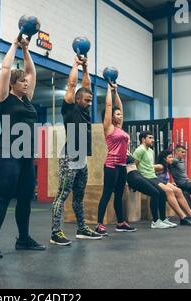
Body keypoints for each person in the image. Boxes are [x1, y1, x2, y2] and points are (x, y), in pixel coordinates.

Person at [0, 36, 45, 258]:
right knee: (2, 197)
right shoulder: (4, 98)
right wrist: (13, 44)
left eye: (26, 82)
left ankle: (23, 239)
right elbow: (5, 67)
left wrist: (26, 49)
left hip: (26, 156)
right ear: (12, 84)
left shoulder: (27, 100)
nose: (26, 83)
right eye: (22, 82)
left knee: (25, 198)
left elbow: (32, 73)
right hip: (7, 154)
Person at [50, 55, 102, 246]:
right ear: (77, 99)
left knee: (79, 197)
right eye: (87, 100)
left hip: (81, 160)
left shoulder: (85, 110)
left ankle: (82, 229)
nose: (90, 103)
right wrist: (75, 65)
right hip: (69, 157)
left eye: (91, 100)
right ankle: (56, 233)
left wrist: (86, 68)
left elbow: (86, 86)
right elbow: (72, 86)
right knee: (62, 195)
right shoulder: (69, 109)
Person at [95, 81, 136, 236]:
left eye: (120, 114)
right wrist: (108, 90)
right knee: (107, 194)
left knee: (119, 195)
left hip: (122, 165)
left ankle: (120, 222)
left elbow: (120, 107)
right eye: (117, 114)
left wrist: (116, 92)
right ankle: (99, 224)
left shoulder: (119, 127)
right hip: (111, 165)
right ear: (111, 117)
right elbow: (109, 106)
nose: (120, 115)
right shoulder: (109, 127)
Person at [133, 131, 189, 229]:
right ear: (143, 139)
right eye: (150, 138)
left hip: (153, 176)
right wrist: (136, 180)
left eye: (152, 138)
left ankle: (162, 219)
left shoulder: (151, 151)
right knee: (159, 192)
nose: (152, 140)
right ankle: (155, 221)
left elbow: (149, 166)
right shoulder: (140, 150)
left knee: (164, 192)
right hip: (144, 177)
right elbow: (135, 166)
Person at [156, 150, 191, 225]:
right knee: (173, 191)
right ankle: (183, 217)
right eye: (170, 157)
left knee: (179, 191)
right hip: (157, 184)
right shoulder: (160, 166)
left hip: (165, 183)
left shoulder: (166, 166)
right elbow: (151, 169)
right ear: (164, 159)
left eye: (172, 157)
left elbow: (164, 178)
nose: (172, 159)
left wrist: (170, 183)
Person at [125, 152, 168, 229]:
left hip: (137, 174)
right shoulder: (118, 151)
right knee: (154, 193)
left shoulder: (127, 151)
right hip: (131, 176)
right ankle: (155, 221)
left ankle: (163, 219)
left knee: (161, 192)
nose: (128, 141)